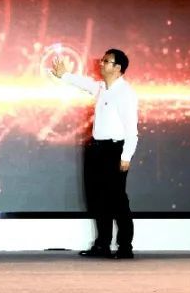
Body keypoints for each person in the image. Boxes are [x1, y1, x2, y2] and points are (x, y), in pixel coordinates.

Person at [51, 49, 138, 259]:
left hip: (114, 150)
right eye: (102, 60)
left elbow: (131, 130)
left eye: (106, 61)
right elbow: (84, 84)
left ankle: (125, 247)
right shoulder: (101, 88)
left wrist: (126, 156)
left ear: (118, 68)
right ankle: (102, 244)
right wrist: (64, 75)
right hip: (97, 149)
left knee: (117, 200)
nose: (101, 63)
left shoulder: (125, 93)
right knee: (98, 198)